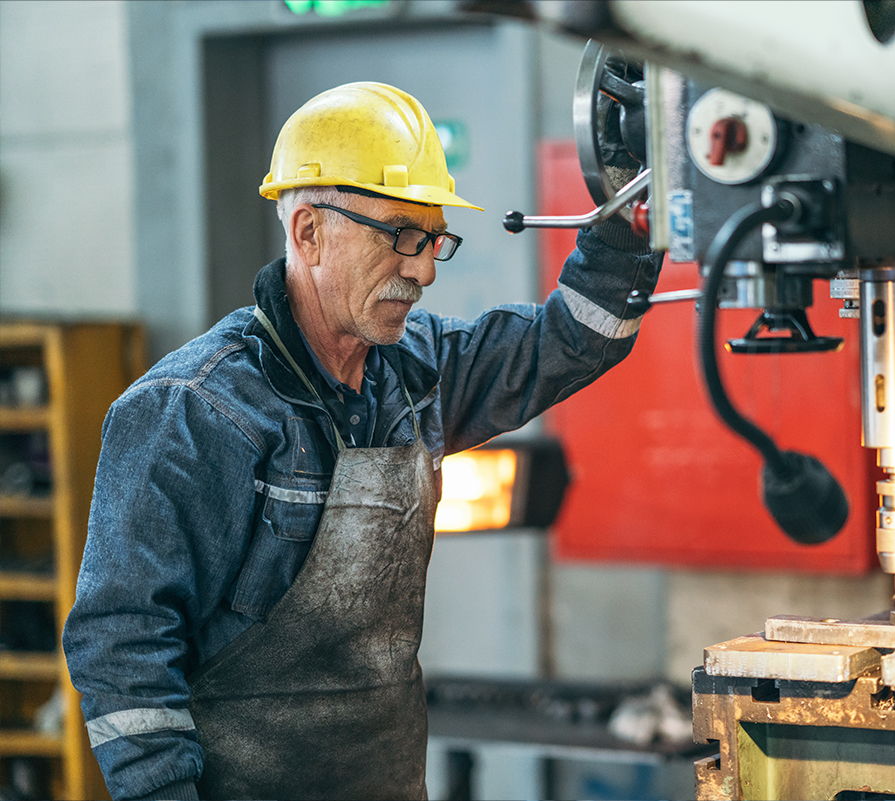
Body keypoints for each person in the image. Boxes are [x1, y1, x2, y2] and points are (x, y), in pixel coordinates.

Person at [63, 81, 661, 801]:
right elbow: (120, 646)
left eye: (435, 239)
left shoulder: (418, 373)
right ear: (308, 231)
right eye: (400, 237)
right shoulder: (192, 411)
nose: (425, 269)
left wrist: (630, 196)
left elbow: (571, 340)